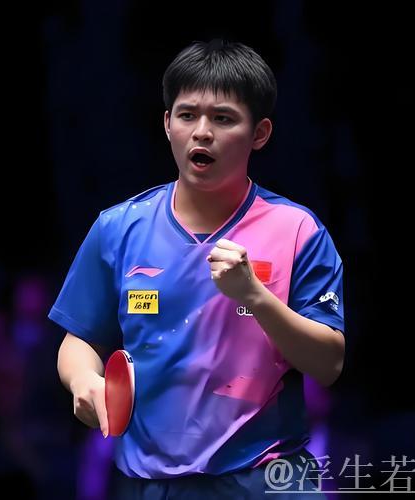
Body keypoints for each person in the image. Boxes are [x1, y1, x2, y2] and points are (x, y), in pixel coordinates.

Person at [49, 39, 345, 498]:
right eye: (187, 115)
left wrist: (255, 296)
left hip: (267, 477)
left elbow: (328, 363)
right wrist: (83, 379)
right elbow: (80, 339)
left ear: (260, 133)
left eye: (223, 119)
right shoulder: (118, 228)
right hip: (152, 483)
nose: (202, 132)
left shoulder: (298, 230)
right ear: (167, 123)